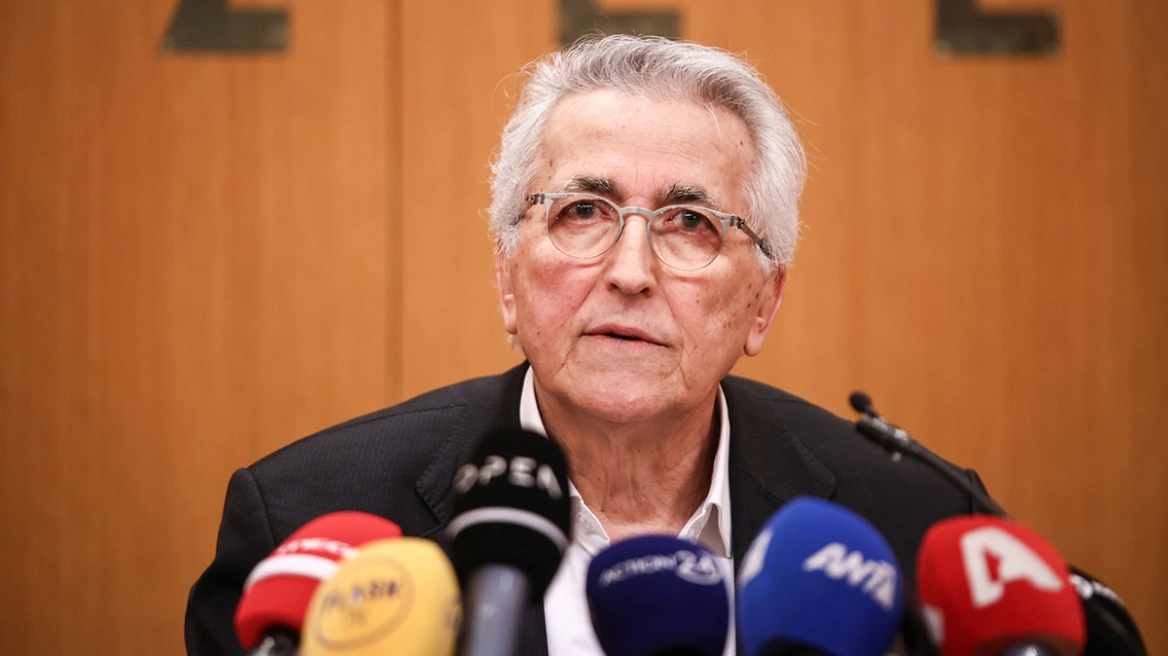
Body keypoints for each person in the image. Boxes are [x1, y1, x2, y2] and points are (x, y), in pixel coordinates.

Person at [185, 35, 981, 656]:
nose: (630, 273)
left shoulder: (914, 528)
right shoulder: (304, 525)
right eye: (584, 212)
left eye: (691, 223)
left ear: (764, 302)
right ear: (507, 275)